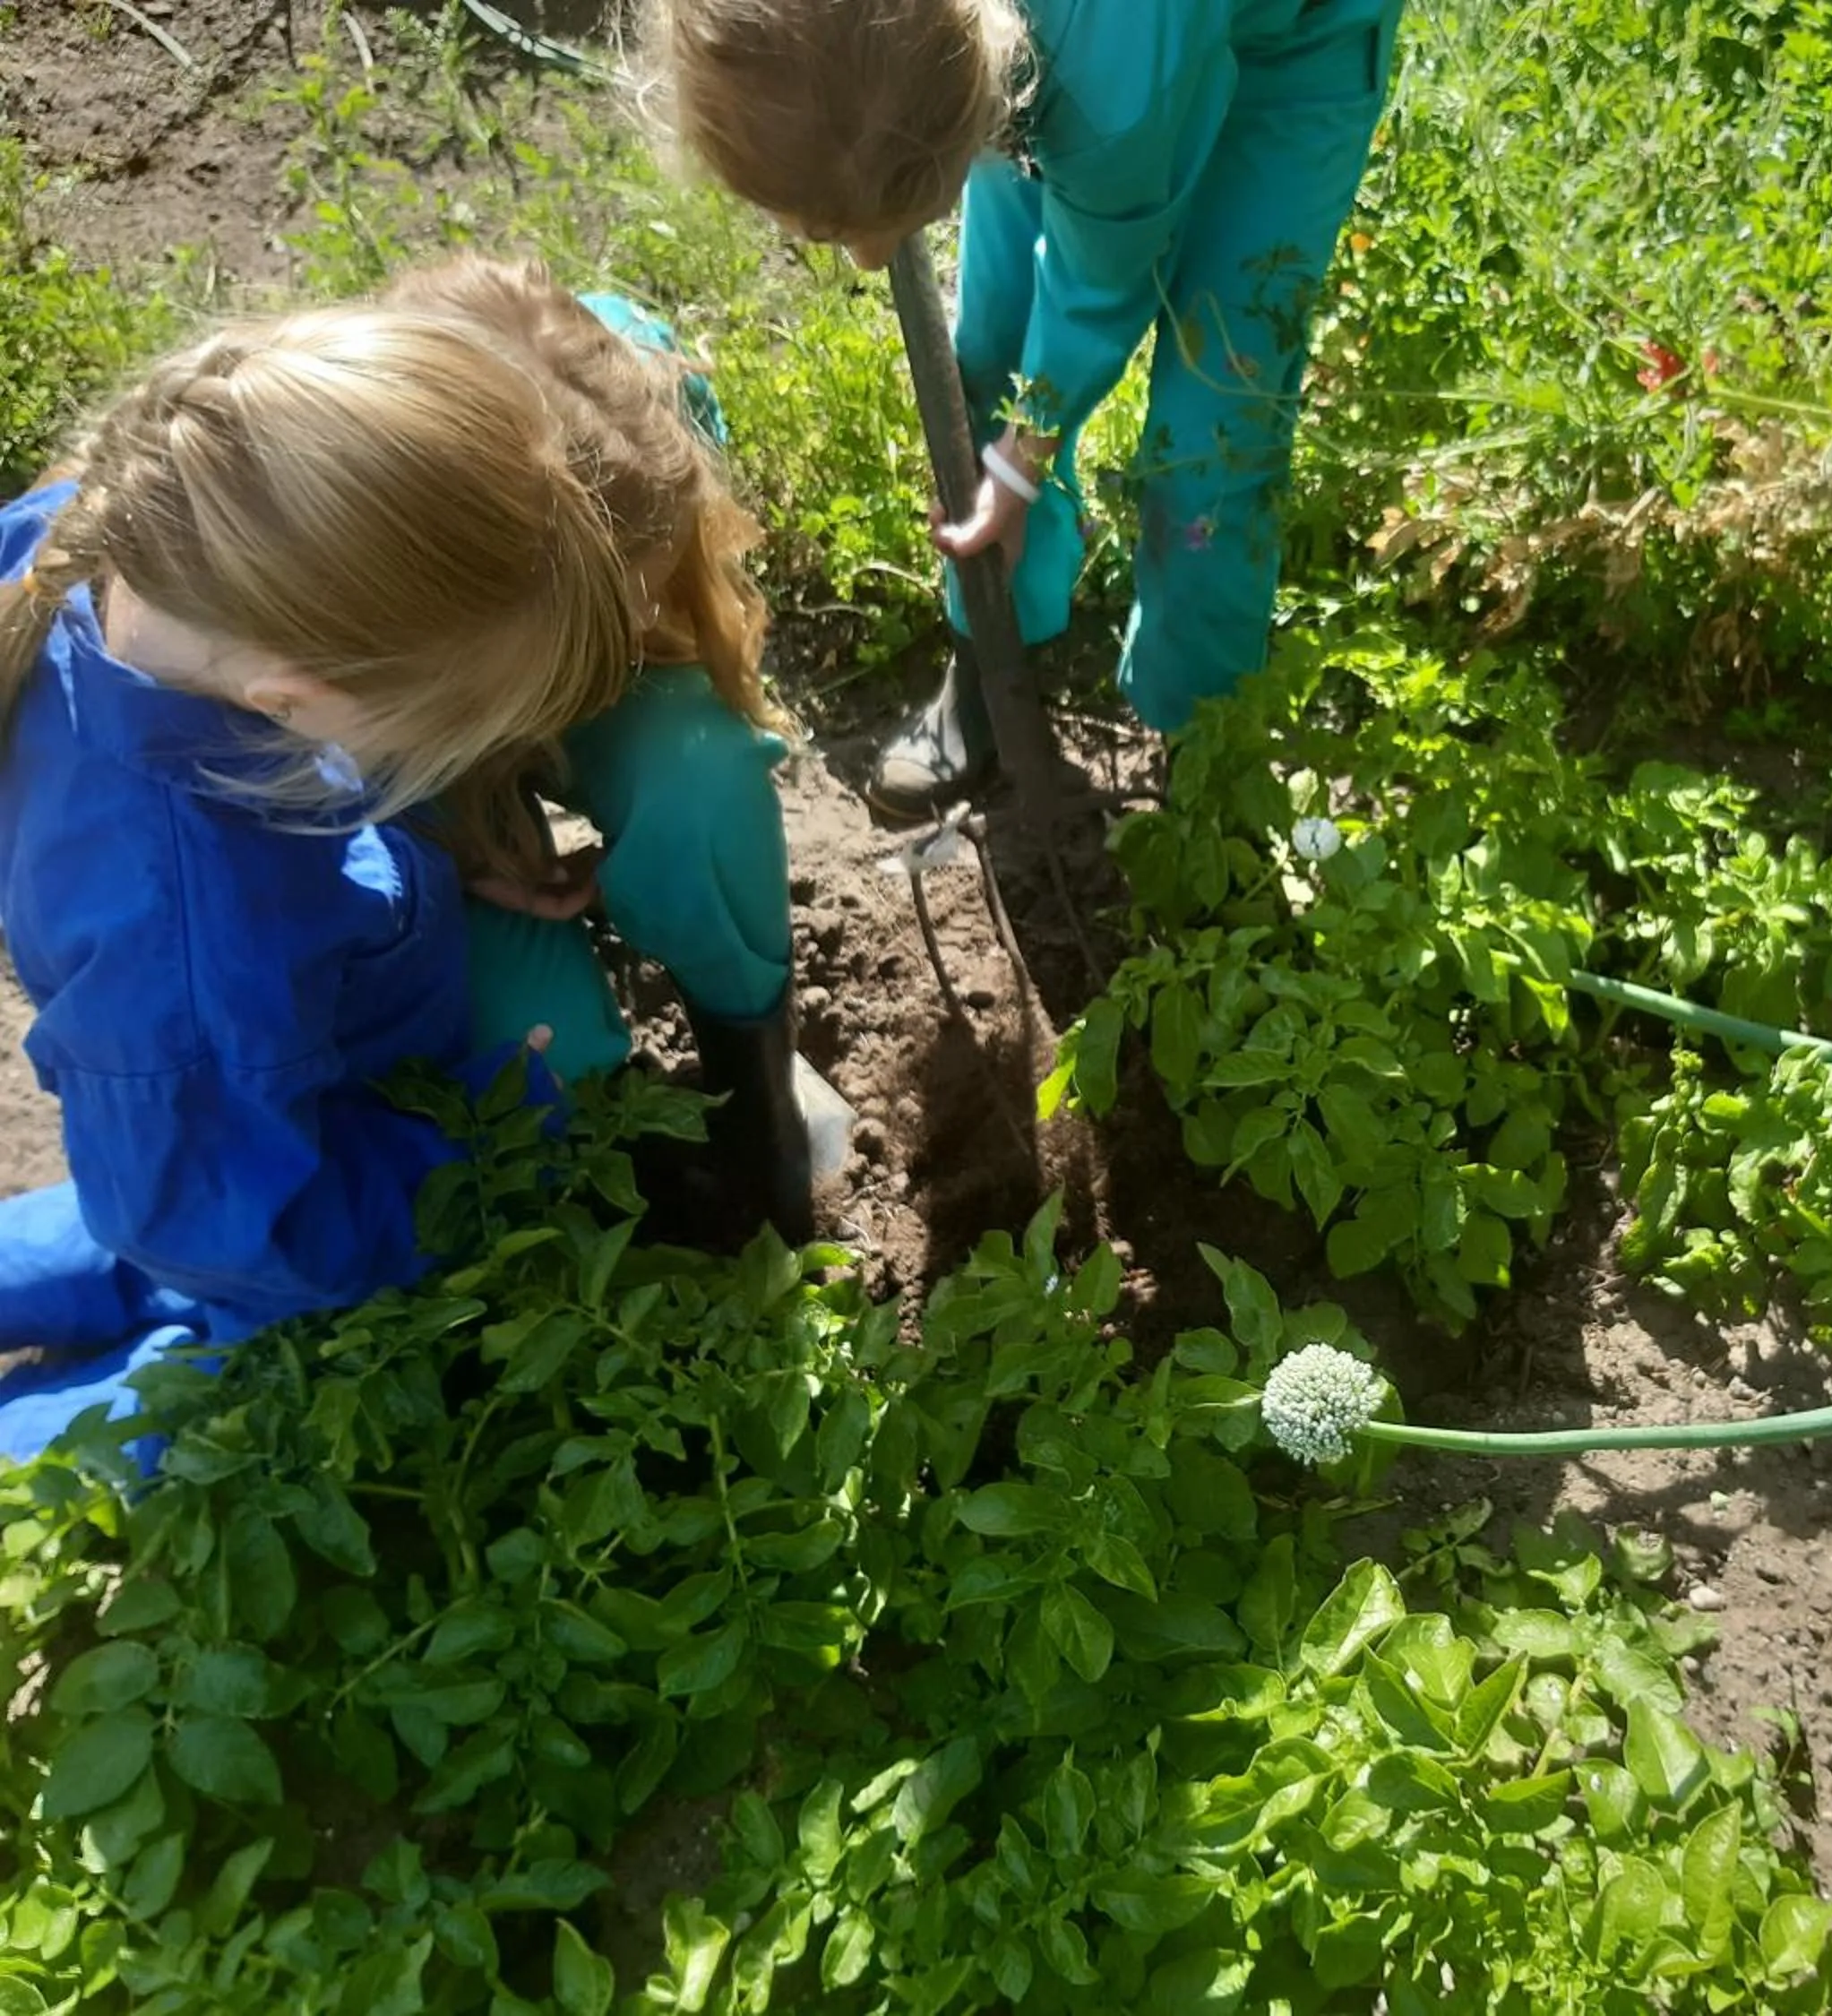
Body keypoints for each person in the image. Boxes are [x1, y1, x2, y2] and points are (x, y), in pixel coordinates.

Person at [0, 307, 639, 1460]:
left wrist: (446, 825)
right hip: (279, 1201)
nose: (443, 758)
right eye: (440, 737)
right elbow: (242, 1231)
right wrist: (494, 1156)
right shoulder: (191, 942)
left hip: (227, 1116)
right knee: (226, 1404)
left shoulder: (152, 533)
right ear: (297, 699)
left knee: (159, 1195)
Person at [638, 0, 1404, 809]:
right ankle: (990, 658)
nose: (868, 260)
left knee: (1214, 428)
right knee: (994, 354)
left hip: (1292, 50)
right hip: (1073, 44)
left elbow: (1101, 288)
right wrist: (1007, 456)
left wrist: (1024, 457)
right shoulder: (904, 47)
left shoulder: (1112, 102)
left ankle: (1203, 733)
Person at [382, 254, 832, 1245]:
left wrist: (621, 629)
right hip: (422, 766)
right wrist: (452, 840)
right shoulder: (349, 556)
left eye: (648, 583)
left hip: (527, 687)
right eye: (611, 606)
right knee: (540, 1035)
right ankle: (612, 1156)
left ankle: (760, 1118)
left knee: (704, 780)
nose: (642, 615)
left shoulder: (634, 410)